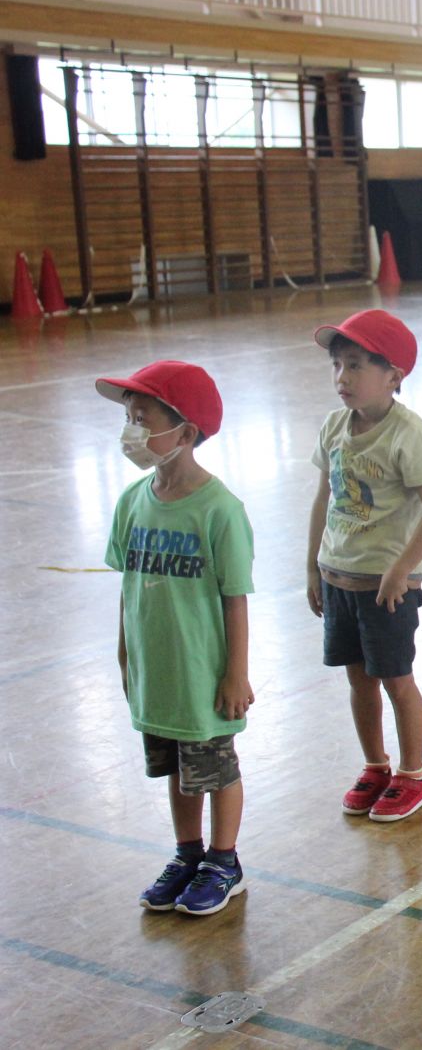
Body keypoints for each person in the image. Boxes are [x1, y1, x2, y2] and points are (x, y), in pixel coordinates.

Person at [100, 361, 254, 915]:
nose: (131, 431)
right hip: (155, 669)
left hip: (202, 673)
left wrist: (235, 672)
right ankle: (187, 854)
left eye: (144, 419)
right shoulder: (133, 501)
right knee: (176, 770)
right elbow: (128, 586)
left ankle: (224, 859)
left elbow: (235, 597)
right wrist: (124, 653)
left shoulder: (219, 510)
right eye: (129, 417)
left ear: (186, 433)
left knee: (214, 767)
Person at [308, 310, 422, 822]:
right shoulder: (332, 428)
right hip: (338, 577)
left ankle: (413, 773)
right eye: (338, 366)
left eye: (356, 366)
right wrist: (312, 568)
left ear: (394, 376)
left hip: (387, 586)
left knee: (395, 678)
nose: (342, 378)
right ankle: (375, 765)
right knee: (358, 679)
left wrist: (401, 569)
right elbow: (323, 500)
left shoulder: (408, 435)